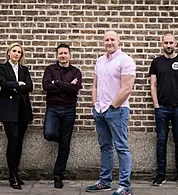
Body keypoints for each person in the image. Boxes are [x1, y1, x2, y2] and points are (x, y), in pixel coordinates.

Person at [85, 30, 136, 195]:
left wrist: (112, 107)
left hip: (117, 110)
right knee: (105, 147)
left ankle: (124, 187)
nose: (109, 42)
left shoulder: (125, 60)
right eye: (106, 39)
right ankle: (104, 182)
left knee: (121, 147)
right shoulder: (100, 61)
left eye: (112, 39)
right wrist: (95, 105)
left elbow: (127, 88)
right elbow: (95, 85)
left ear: (118, 41)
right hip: (100, 110)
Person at [149, 33, 178, 187]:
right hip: (161, 108)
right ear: (162, 44)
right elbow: (153, 84)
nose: (168, 45)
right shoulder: (156, 62)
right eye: (166, 43)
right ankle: (161, 174)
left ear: (176, 44)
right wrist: (156, 104)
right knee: (161, 141)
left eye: (171, 43)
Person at [42, 43, 82, 189]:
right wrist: (66, 85)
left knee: (65, 145)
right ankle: (63, 140)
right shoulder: (50, 69)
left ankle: (58, 175)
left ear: (69, 55)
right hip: (52, 108)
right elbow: (46, 86)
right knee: (49, 133)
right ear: (57, 55)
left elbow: (74, 89)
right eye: (60, 53)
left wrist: (57, 83)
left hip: (69, 109)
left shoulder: (76, 72)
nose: (63, 55)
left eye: (65, 53)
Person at [0, 42, 33, 190]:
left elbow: (30, 86)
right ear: (9, 53)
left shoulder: (24, 69)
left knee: (19, 143)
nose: (17, 54)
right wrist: (18, 84)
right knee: (13, 141)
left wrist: (16, 86)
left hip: (22, 110)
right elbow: (3, 83)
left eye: (19, 52)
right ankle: (12, 176)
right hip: (8, 110)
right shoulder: (2, 67)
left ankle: (16, 173)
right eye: (14, 51)